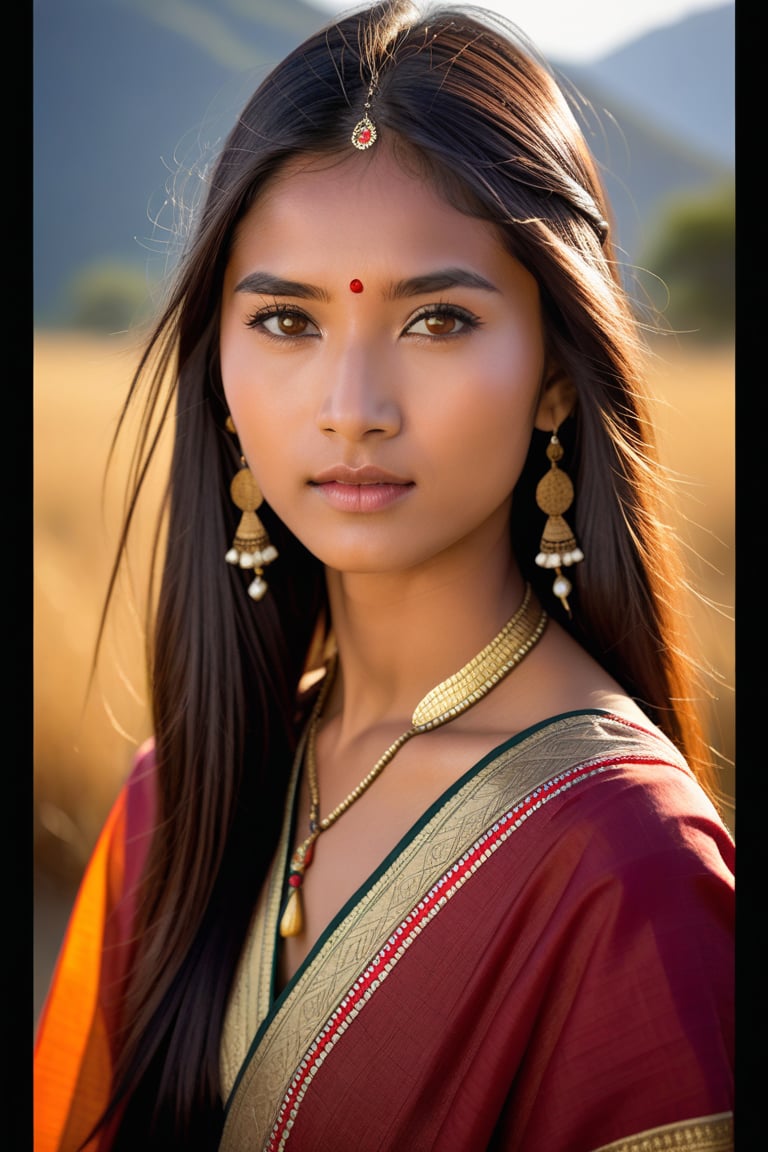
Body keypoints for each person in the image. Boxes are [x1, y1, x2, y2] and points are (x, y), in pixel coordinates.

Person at [33, 2, 735, 1149]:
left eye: (439, 319)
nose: (351, 410)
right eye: (287, 322)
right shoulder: (177, 805)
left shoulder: (630, 871)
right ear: (220, 372)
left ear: (558, 377)